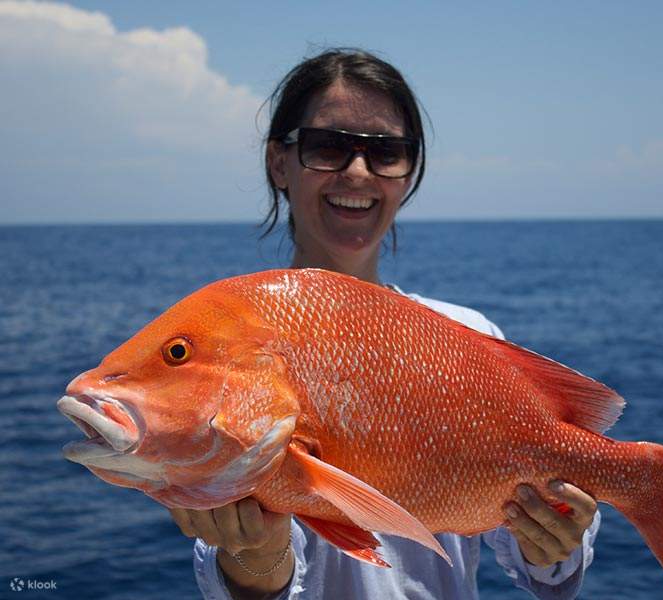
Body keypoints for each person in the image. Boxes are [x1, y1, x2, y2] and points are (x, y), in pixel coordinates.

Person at [169, 48, 600, 600]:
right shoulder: (233, 338)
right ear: (279, 162)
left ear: (408, 171)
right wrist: (255, 555)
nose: (357, 172)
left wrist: (555, 543)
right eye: (328, 146)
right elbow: (253, 576)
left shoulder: (467, 332)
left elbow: (543, 567)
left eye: (386, 153)